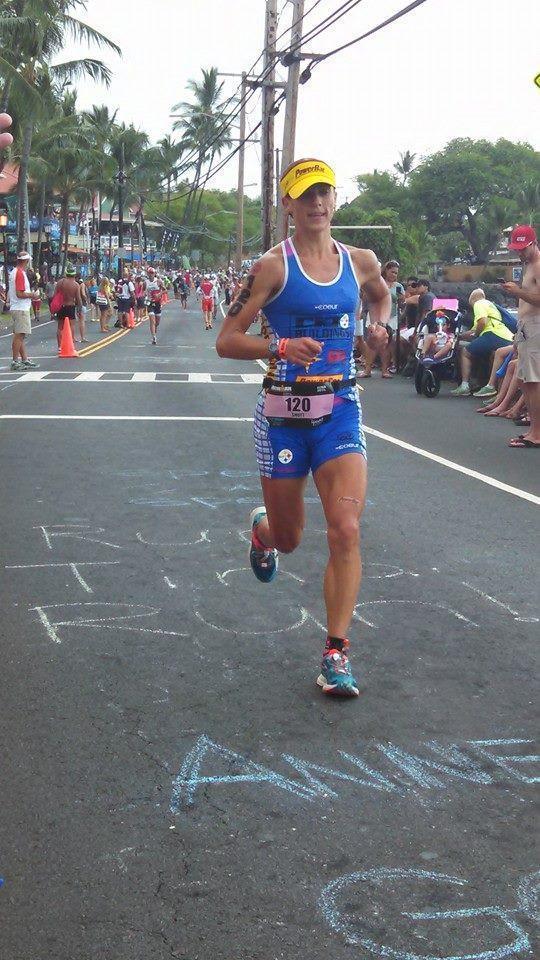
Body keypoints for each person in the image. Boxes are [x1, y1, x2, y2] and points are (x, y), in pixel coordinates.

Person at [216, 157, 391, 698]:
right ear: (287, 205)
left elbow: (380, 296)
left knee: (346, 529)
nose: (316, 204)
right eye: (305, 196)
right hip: (283, 416)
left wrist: (378, 328)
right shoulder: (272, 266)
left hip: (339, 408)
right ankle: (264, 530)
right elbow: (227, 339)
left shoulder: (360, 261)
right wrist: (281, 346)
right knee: (291, 540)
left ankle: (335, 652)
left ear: (335, 200)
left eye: (324, 194)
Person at [502, 225, 540, 448]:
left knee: (534, 380)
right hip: (527, 327)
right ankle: (533, 428)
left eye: (523, 248)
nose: (520, 253)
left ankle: (537, 432)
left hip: (536, 327)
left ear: (533, 243)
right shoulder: (528, 265)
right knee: (526, 380)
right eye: (516, 249)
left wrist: (517, 292)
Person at [451, 289, 514, 396]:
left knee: (465, 352)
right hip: (506, 336)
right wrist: (459, 336)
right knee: (493, 356)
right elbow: (473, 330)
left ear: (473, 299)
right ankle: (493, 388)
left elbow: (482, 322)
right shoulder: (491, 306)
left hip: (493, 334)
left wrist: (476, 336)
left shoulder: (479, 303)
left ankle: (465, 385)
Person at [8, 251, 41, 370]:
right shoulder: (20, 274)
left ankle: (24, 359)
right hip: (20, 307)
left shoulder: (14, 272)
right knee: (19, 334)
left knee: (20, 334)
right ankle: (15, 361)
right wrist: (33, 295)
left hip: (17, 307)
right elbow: (19, 293)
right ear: (26, 261)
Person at [54, 262, 82, 351]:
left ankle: (59, 346)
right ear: (74, 275)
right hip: (70, 306)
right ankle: (70, 343)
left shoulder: (59, 283)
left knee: (60, 327)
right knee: (71, 326)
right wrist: (79, 309)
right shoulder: (75, 285)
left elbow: (55, 296)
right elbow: (78, 298)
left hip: (61, 306)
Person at [146, 267, 163, 345]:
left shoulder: (158, 281)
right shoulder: (146, 282)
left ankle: (154, 331)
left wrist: (159, 294)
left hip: (157, 303)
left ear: (154, 274)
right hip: (150, 303)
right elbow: (142, 291)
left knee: (157, 322)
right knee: (152, 320)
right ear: (148, 274)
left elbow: (165, 290)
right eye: (150, 273)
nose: (151, 274)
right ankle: (154, 337)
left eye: (152, 273)